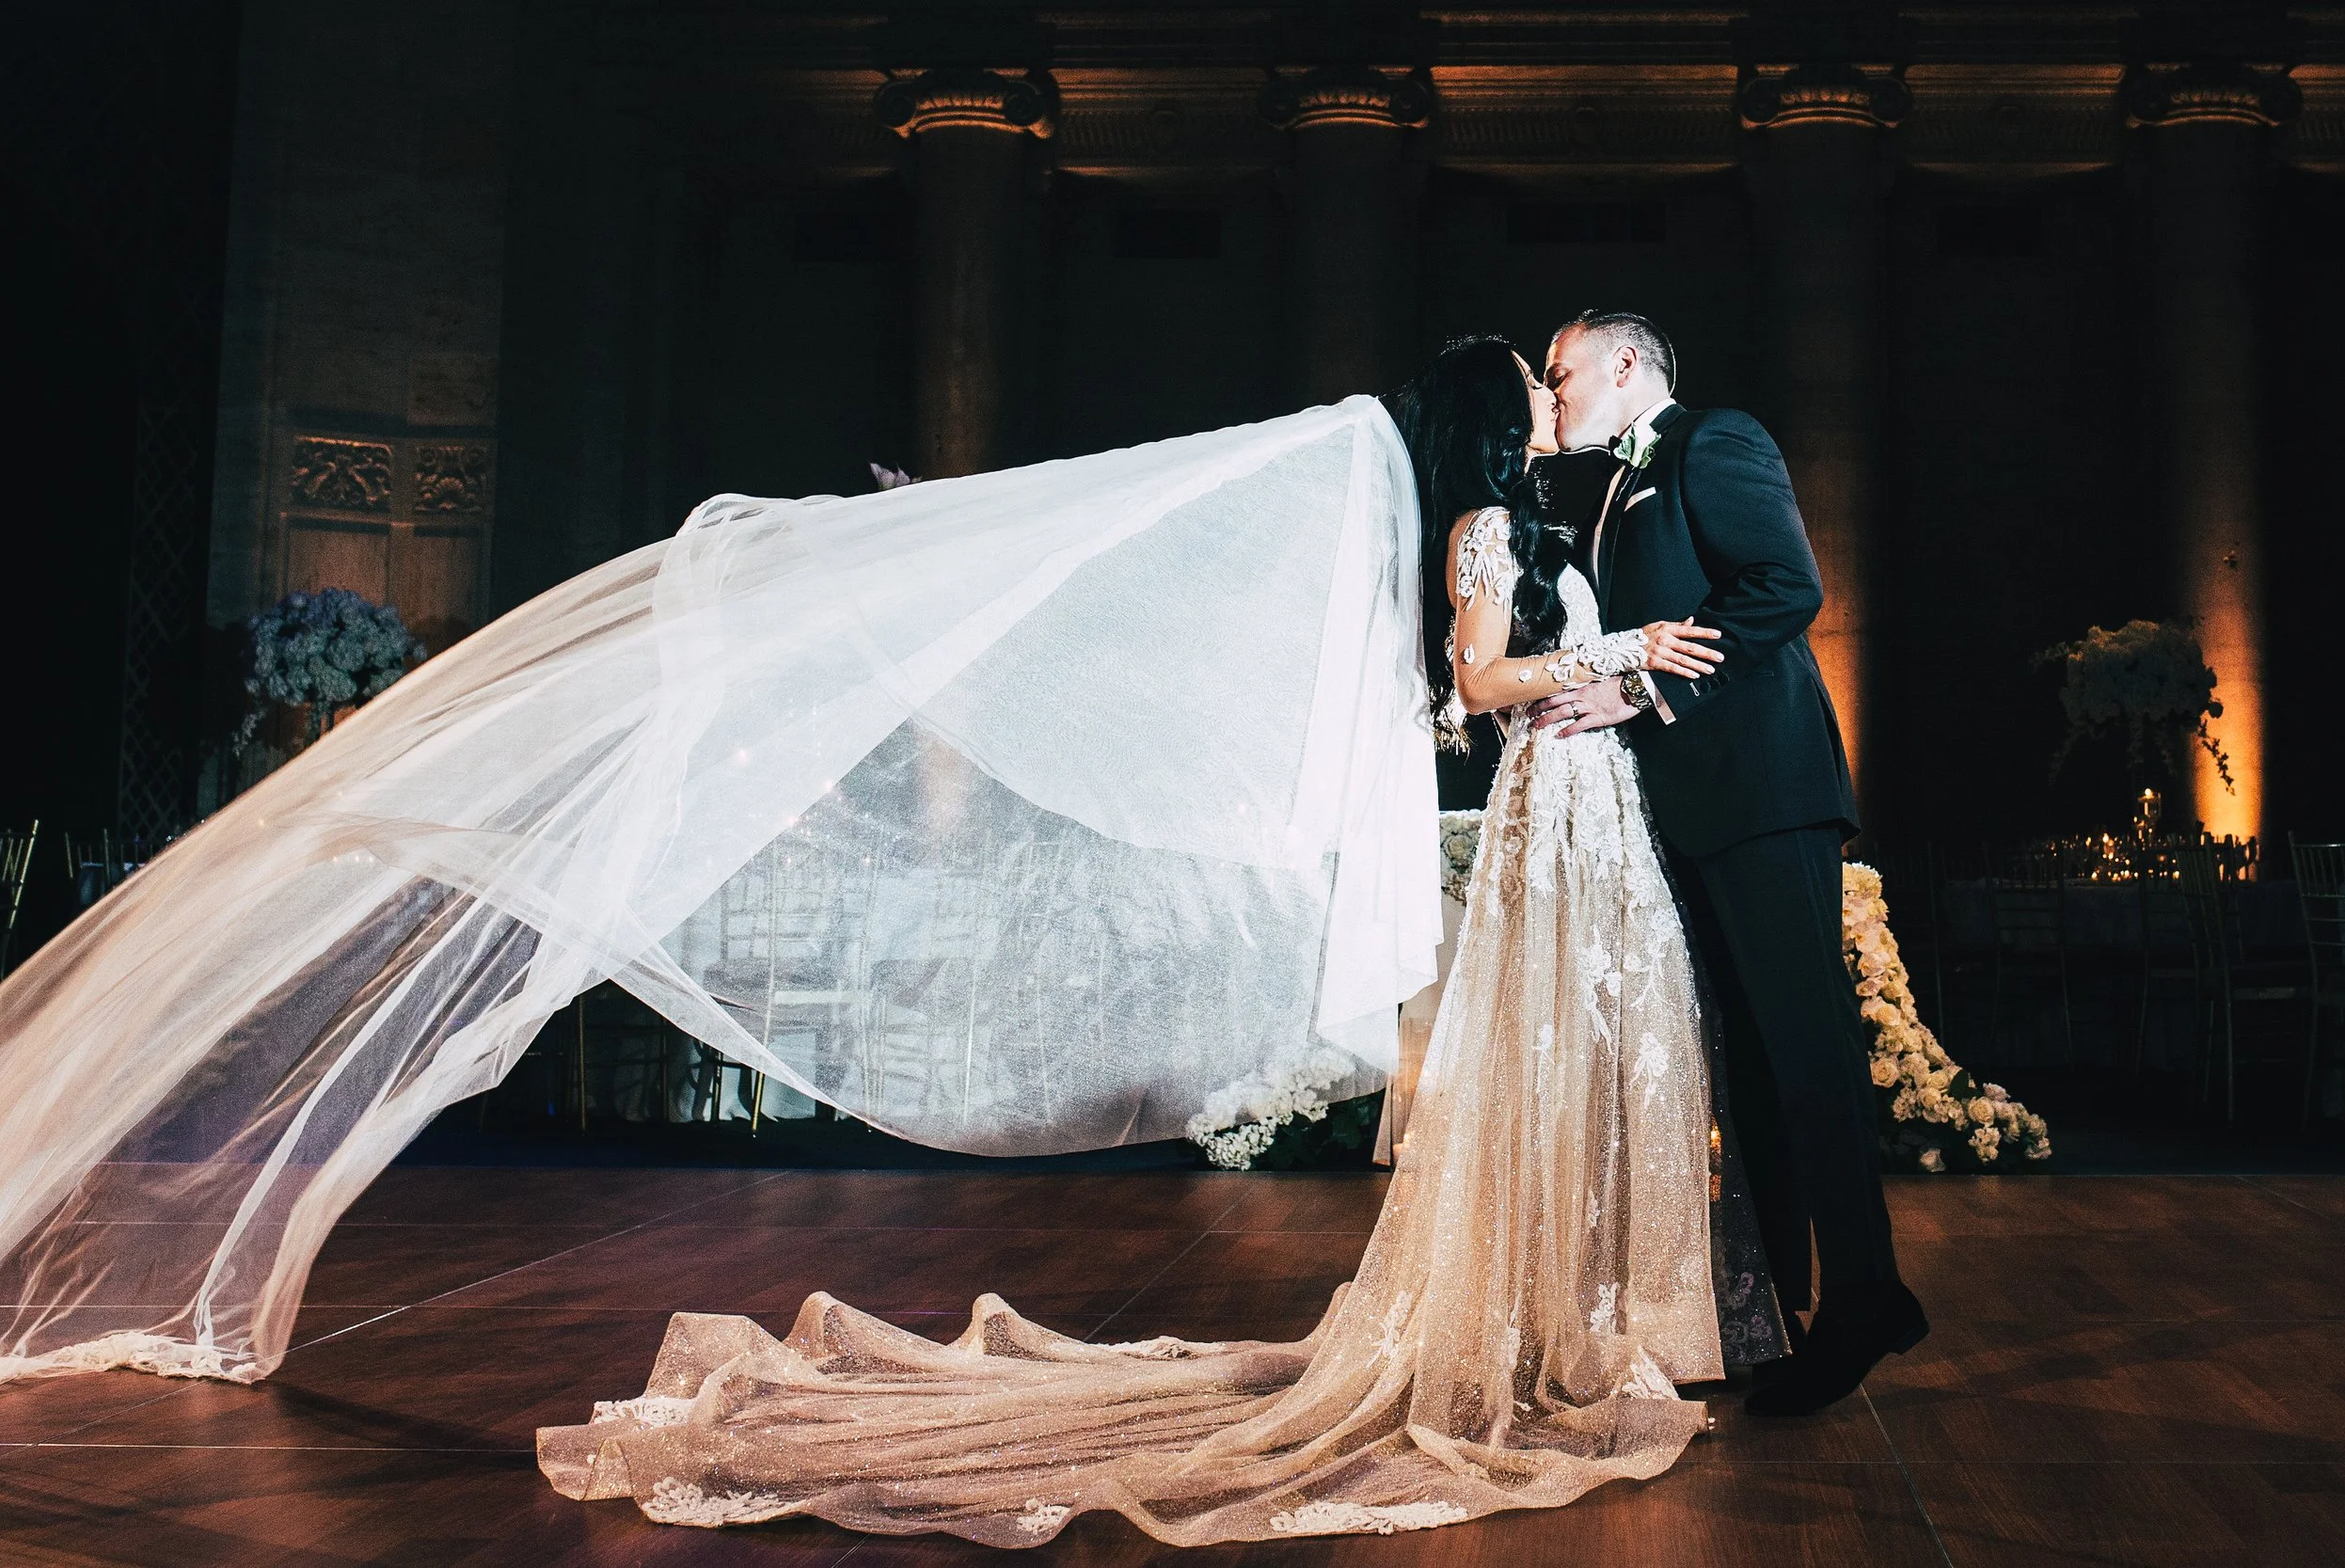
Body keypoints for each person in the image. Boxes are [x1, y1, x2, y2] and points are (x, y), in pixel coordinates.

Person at [531, 339, 1748, 1543]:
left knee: (1584, 1051)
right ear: (1492, 410)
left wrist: (1619, 669)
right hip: (1553, 795)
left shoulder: (1527, 519)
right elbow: (1477, 681)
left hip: (1589, 798)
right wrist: (1626, 647)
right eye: (1532, 377)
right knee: (1544, 1047)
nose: (1547, 388)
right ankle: (1528, 1331)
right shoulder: (1479, 525)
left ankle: (1572, 1318)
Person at [1532, 310, 1926, 1418]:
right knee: (1747, 1066)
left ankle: (1866, 1294)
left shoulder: (1714, 439)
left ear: (1624, 362)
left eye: (1561, 371)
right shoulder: (1609, 485)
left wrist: (1641, 688)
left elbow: (1782, 586)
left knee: (1805, 1049)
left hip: (1764, 789)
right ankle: (1778, 1309)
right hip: (1691, 808)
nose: (1553, 392)